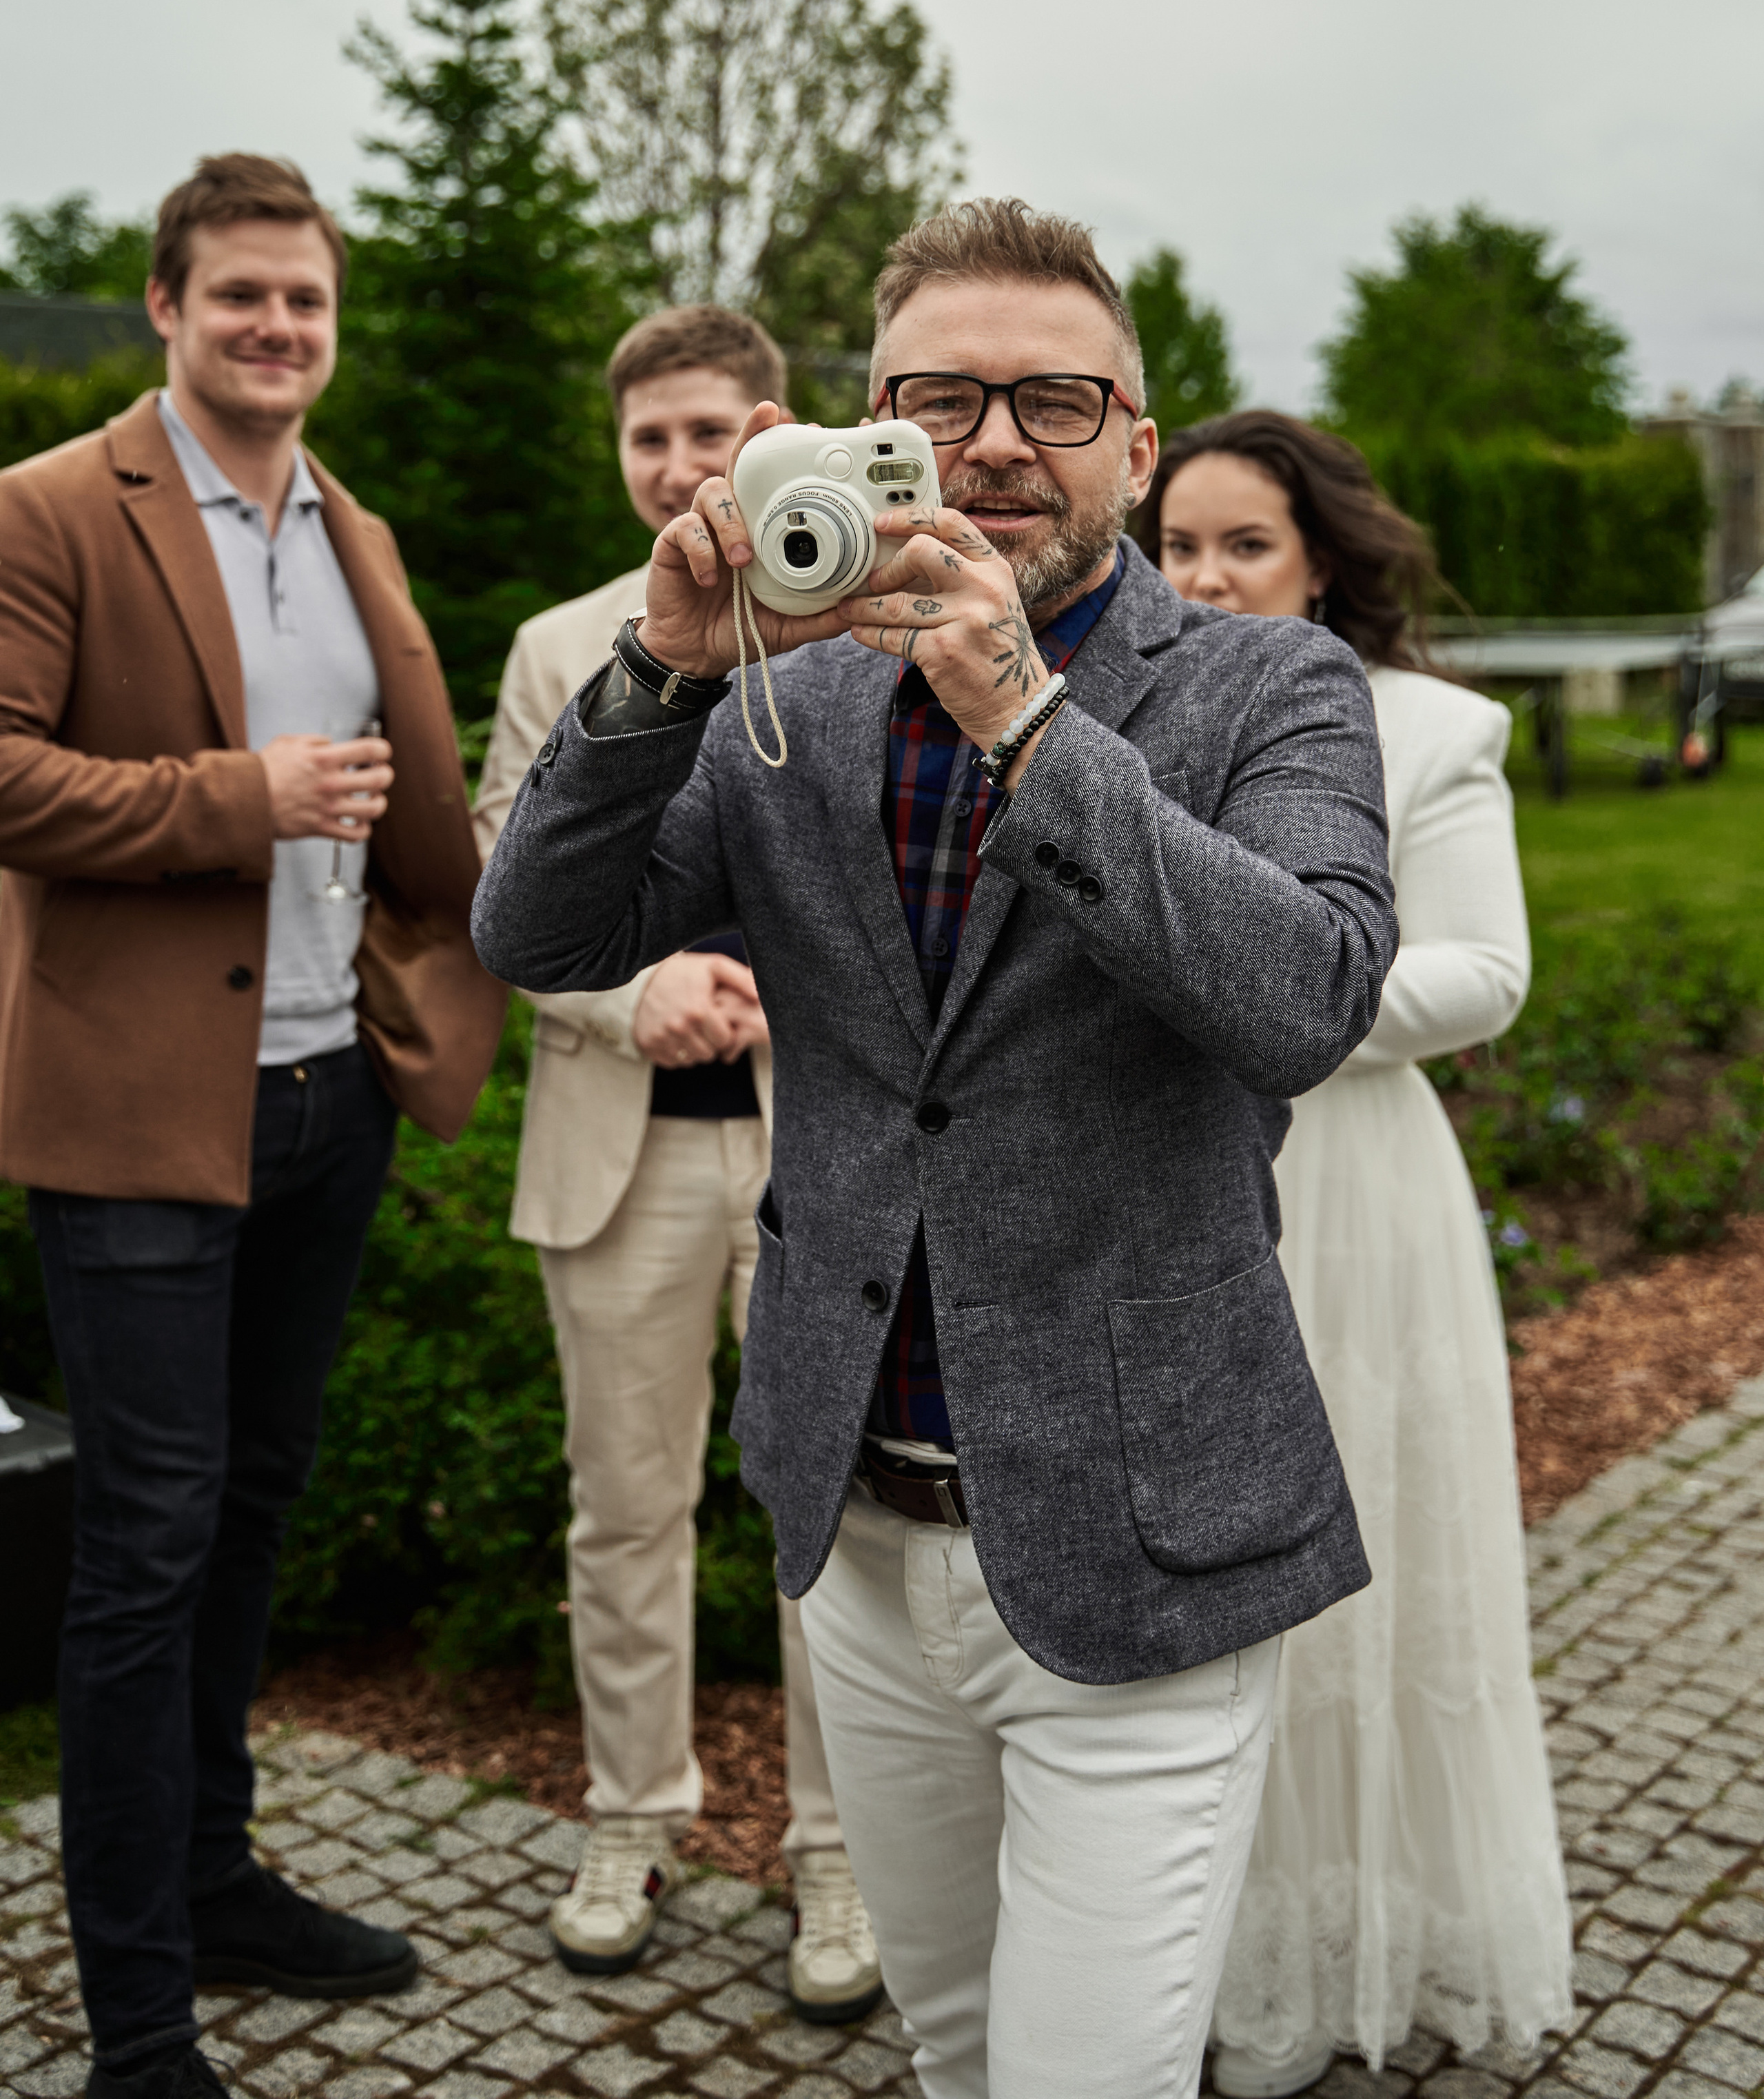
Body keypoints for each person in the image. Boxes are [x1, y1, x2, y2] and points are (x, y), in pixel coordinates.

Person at [472, 197, 1401, 2099]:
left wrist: (1021, 712)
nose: (993, 445)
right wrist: (658, 670)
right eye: (939, 398)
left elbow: (1308, 993)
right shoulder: (774, 699)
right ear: (857, 423)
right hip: (866, 1543)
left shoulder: (1270, 687)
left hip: (1139, 1548)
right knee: (959, 2047)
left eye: (1055, 401)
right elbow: (540, 939)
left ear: (1139, 442)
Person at [0, 154, 506, 2099]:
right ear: (163, 306)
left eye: (305, 302)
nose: (277, 330)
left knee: (249, 1520)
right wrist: (240, 795)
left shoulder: (347, 522)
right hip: (137, 1120)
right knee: (143, 1546)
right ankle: (137, 2016)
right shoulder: (55, 511)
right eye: (240, 299)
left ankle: (214, 1880)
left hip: (324, 1100)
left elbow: (415, 803)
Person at [1140, 411, 1572, 2093]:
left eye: (1241, 544)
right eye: (1177, 545)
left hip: (1353, 1194)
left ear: (1319, 553)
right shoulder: (1129, 708)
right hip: (1174, 1191)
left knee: (1368, 1572)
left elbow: (1481, 973)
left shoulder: (1427, 730)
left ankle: (1360, 1947)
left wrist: (1258, 995)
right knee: (1195, 1587)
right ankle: (1182, 1948)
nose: (1204, 577)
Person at [472, 304, 881, 2020]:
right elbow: (510, 877)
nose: (677, 465)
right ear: (617, 449)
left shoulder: (862, 628)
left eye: (708, 431)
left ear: (771, 430)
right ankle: (626, 1825)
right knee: (621, 1515)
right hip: (621, 1164)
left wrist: (787, 981)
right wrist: (632, 994)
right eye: (648, 437)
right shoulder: (560, 643)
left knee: (831, 1525)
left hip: (822, 1164)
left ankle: (842, 1858)